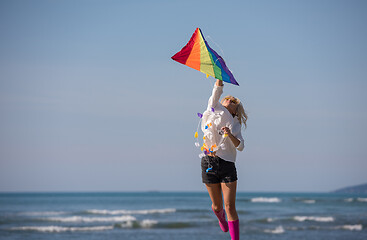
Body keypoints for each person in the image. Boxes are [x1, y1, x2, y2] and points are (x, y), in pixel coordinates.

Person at [201, 79, 247, 240]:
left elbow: (240, 146)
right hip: (209, 162)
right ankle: (220, 216)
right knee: (217, 206)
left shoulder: (235, 124)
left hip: (227, 164)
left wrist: (230, 134)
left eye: (234, 101)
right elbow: (217, 91)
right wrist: (219, 77)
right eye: (228, 98)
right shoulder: (213, 108)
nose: (230, 99)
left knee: (229, 206)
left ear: (236, 110)